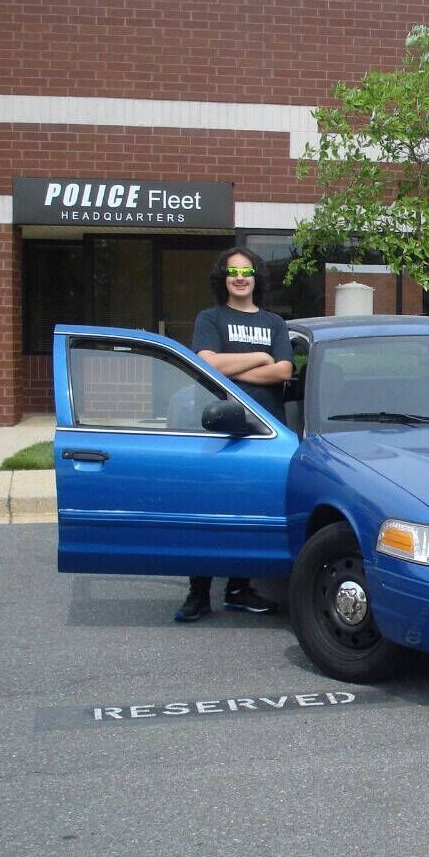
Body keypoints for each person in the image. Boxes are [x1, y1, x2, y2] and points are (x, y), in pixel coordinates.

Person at [174, 247, 294, 623]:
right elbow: (205, 363)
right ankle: (198, 593)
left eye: (246, 272)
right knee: (206, 511)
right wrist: (260, 357)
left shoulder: (274, 322)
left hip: (263, 433)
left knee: (250, 511)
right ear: (223, 278)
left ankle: (239, 590)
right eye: (233, 272)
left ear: (256, 277)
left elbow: (284, 371)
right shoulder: (210, 318)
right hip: (216, 429)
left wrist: (230, 369)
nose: (240, 278)